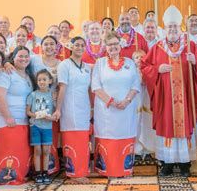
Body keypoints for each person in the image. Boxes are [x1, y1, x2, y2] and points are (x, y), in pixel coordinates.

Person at [141, 5, 197, 177]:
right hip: (165, 98)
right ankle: (167, 164)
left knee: (184, 126)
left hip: (185, 97)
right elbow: (144, 65)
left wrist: (195, 62)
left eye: (175, 26)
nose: (172, 29)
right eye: (169, 26)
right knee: (167, 126)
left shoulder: (189, 45)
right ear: (165, 28)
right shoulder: (158, 47)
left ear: (180, 28)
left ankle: (185, 164)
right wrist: (157, 69)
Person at [92, 31, 141, 177]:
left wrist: (126, 101)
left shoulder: (130, 63)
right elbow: (96, 86)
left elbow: (135, 85)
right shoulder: (100, 64)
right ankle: (107, 170)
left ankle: (124, 170)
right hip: (106, 110)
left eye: (115, 43)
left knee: (125, 134)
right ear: (105, 47)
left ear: (120, 45)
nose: (113, 47)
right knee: (108, 136)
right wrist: (111, 101)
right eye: (109, 44)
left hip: (126, 109)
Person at [0, 46, 34, 185]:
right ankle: (5, 180)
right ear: (13, 57)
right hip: (7, 119)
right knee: (8, 151)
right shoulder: (6, 72)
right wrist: (8, 116)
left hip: (23, 120)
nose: (23, 59)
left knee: (21, 152)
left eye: (26, 56)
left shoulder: (28, 75)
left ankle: (18, 177)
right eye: (20, 56)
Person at [53, 37, 92, 181]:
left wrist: (92, 108)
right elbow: (62, 87)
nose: (80, 47)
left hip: (84, 107)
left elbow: (89, 89)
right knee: (72, 139)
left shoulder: (87, 67)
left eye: (83, 45)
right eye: (77, 45)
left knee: (83, 141)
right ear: (71, 47)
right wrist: (58, 109)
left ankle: (82, 170)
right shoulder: (64, 65)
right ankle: (74, 174)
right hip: (69, 107)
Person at [29, 35, 61, 175]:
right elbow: (18, 58)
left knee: (50, 137)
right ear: (42, 46)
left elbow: (62, 84)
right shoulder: (35, 59)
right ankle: (37, 170)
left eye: (52, 44)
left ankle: (51, 168)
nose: (49, 47)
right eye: (46, 44)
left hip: (53, 102)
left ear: (56, 46)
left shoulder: (61, 63)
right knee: (38, 141)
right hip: (37, 102)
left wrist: (57, 99)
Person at [26, 69, 56, 184]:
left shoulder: (52, 95)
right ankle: (38, 173)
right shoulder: (33, 95)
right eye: (39, 80)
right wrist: (36, 115)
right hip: (35, 126)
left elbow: (55, 111)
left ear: (50, 81)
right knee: (37, 150)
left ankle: (45, 172)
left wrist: (51, 117)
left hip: (47, 127)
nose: (41, 82)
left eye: (44, 79)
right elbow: (28, 111)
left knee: (46, 150)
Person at [133, 50, 155, 160]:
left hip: (146, 100)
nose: (139, 59)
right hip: (136, 102)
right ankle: (136, 151)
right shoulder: (131, 72)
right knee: (136, 125)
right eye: (137, 57)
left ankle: (147, 150)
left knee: (146, 124)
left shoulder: (148, 71)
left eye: (142, 57)